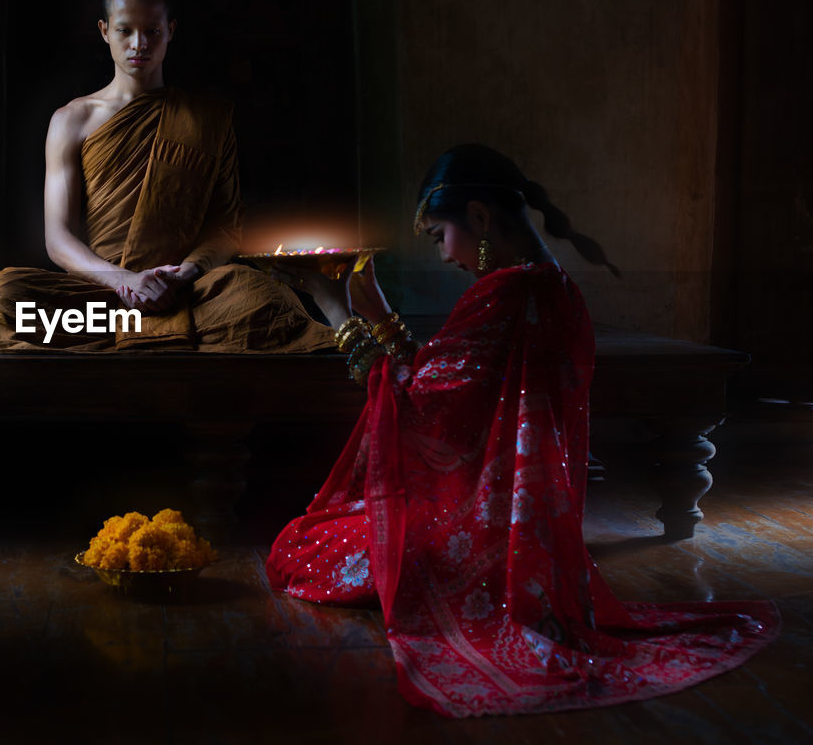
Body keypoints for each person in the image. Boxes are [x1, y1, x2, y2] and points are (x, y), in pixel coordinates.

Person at [266, 144, 779, 717]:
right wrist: (380, 313)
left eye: (439, 236)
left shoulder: (506, 296)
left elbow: (416, 406)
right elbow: (443, 391)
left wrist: (337, 311)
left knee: (300, 549)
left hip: (478, 539)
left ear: (480, 218)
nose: (440, 255)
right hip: (518, 531)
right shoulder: (554, 288)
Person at [0, 0, 333, 353]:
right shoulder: (71, 120)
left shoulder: (207, 119)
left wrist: (184, 274)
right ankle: (159, 328)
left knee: (264, 299)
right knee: (4, 296)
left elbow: (226, 229)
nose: (139, 44)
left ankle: (146, 324)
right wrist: (126, 282)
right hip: (101, 295)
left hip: (188, 293)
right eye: (125, 31)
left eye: (152, 31)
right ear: (104, 31)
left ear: (171, 31)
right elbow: (58, 239)